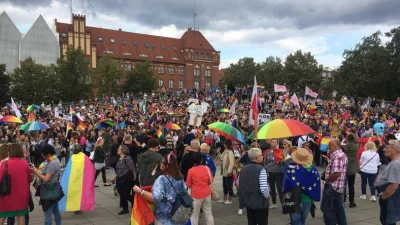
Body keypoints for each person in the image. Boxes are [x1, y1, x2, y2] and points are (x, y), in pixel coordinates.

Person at [133, 152, 187, 225]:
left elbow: (156, 198)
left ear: (166, 166)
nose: (160, 164)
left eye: (162, 163)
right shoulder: (180, 178)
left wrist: (140, 191)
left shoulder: (161, 179)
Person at [284, 148, 321, 225]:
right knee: (302, 221)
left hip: (295, 200)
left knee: (295, 222)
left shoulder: (294, 171)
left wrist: (284, 196)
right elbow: (316, 185)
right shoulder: (313, 170)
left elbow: (288, 186)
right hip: (308, 200)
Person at [0, 144, 32, 225]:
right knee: (21, 216)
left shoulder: (5, 163)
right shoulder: (25, 163)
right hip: (22, 196)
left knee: (2, 217)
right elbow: (30, 179)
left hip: (7, 196)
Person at [30, 144, 62, 225]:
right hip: (54, 188)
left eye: (42, 154)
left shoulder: (52, 163)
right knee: (55, 210)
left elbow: (46, 179)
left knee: (48, 212)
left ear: (47, 154)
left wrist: (35, 172)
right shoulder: (54, 159)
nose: (42, 155)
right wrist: (37, 169)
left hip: (48, 189)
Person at [238, 148, 270, 225]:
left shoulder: (243, 169)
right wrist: (267, 196)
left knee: (251, 222)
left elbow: (238, 183)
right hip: (260, 203)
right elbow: (263, 188)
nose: (263, 156)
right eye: (261, 155)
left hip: (248, 202)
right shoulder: (261, 169)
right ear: (257, 157)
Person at [320, 139, 348, 225]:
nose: (328, 147)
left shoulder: (337, 156)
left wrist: (327, 181)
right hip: (338, 186)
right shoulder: (341, 154)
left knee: (326, 208)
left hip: (332, 186)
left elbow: (337, 173)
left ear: (335, 146)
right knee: (339, 209)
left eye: (329, 145)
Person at [186, 152, 214, 225]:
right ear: (201, 159)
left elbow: (188, 184)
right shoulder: (207, 168)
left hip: (196, 195)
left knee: (194, 216)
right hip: (207, 193)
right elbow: (211, 181)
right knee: (208, 213)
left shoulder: (191, 170)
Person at [376, 140, 400, 225]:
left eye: (387, 147)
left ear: (394, 150)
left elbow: (394, 185)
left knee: (387, 221)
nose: (384, 149)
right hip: (389, 196)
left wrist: (383, 197)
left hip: (389, 197)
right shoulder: (394, 162)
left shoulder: (395, 164)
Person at [111, 145, 136, 215]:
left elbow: (133, 169)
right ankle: (125, 209)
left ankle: (133, 201)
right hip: (119, 178)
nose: (117, 150)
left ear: (123, 150)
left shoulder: (127, 158)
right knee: (121, 193)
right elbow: (118, 170)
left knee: (125, 194)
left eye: (119, 149)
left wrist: (134, 177)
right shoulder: (119, 158)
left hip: (127, 179)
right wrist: (115, 177)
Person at [263, 139, 285, 209]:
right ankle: (274, 203)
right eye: (273, 142)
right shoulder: (267, 151)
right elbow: (265, 161)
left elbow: (284, 161)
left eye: (275, 142)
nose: (274, 143)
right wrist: (265, 169)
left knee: (279, 189)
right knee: (272, 189)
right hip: (270, 172)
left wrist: (281, 160)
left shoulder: (281, 151)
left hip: (278, 172)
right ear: (270, 143)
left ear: (277, 143)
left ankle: (283, 205)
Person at [343, 134, 359, 208]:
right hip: (352, 168)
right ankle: (351, 201)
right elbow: (358, 144)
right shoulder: (355, 147)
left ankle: (343, 200)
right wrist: (355, 141)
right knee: (351, 185)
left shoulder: (345, 146)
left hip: (345, 167)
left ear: (347, 139)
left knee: (344, 185)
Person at [218, 139, 235, 205]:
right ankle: (224, 198)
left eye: (224, 143)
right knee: (225, 185)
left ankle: (230, 199)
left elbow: (231, 163)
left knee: (229, 185)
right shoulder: (225, 151)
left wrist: (229, 171)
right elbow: (221, 158)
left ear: (226, 144)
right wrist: (219, 152)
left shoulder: (230, 152)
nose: (224, 145)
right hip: (224, 170)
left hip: (228, 170)